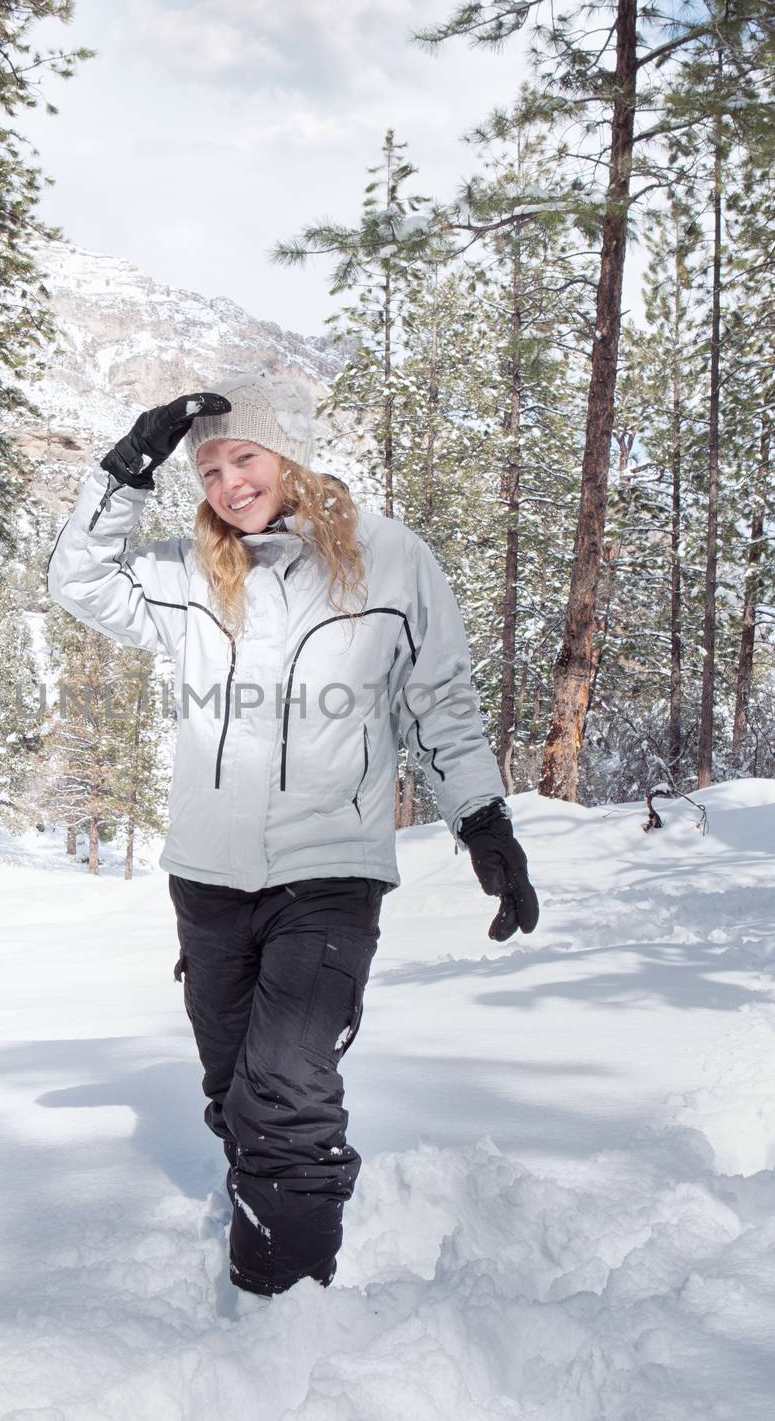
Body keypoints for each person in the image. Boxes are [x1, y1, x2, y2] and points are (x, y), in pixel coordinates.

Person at [47, 372, 539, 1300]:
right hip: (207, 875)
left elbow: (441, 700)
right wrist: (125, 472)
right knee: (234, 1090)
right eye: (207, 468)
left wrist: (483, 822)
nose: (228, 483)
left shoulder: (390, 559)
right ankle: (274, 1225)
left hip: (330, 868)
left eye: (245, 457)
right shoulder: (191, 574)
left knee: (285, 1088)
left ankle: (283, 1302)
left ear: (291, 455)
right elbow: (77, 582)